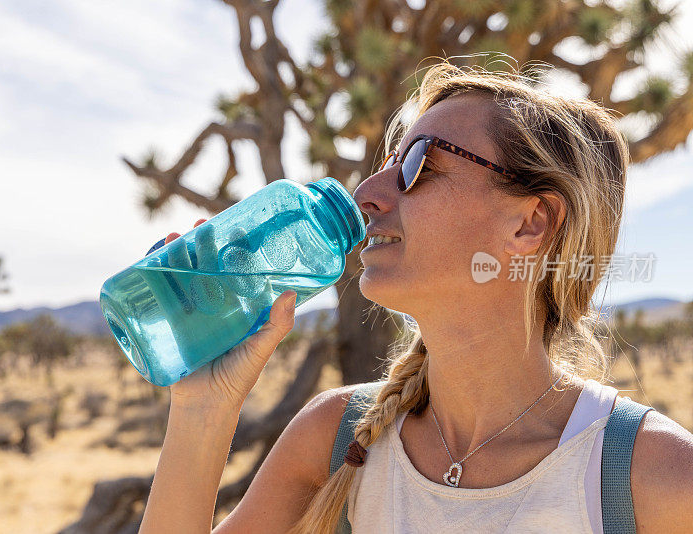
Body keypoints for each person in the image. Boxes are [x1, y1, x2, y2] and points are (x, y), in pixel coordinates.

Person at [137, 62, 693, 533]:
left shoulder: (649, 477)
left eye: (419, 164)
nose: (367, 194)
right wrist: (202, 409)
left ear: (532, 222)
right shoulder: (333, 438)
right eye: (384, 165)